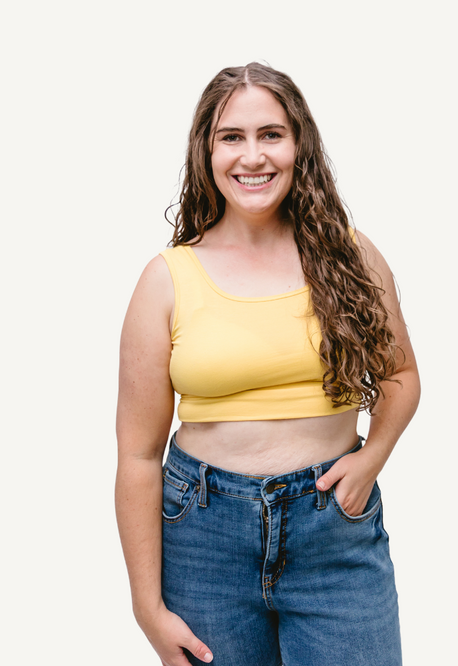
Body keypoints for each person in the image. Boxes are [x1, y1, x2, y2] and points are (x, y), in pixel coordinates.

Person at [116, 62, 420, 666]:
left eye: (270, 134)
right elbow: (138, 456)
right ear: (206, 150)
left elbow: (400, 378)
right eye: (232, 137)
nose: (252, 157)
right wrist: (145, 607)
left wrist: (370, 461)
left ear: (298, 143)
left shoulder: (353, 257)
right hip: (204, 537)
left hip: (332, 526)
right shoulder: (166, 279)